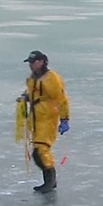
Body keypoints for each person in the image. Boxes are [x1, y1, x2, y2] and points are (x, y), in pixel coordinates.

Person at [19, 50, 70, 193]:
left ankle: (50, 180)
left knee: (41, 150)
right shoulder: (32, 78)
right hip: (36, 118)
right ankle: (49, 181)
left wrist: (64, 118)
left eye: (33, 62)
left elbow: (62, 99)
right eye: (29, 62)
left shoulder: (52, 78)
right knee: (38, 151)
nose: (31, 65)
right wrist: (25, 97)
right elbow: (32, 92)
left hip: (48, 118)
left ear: (42, 62)